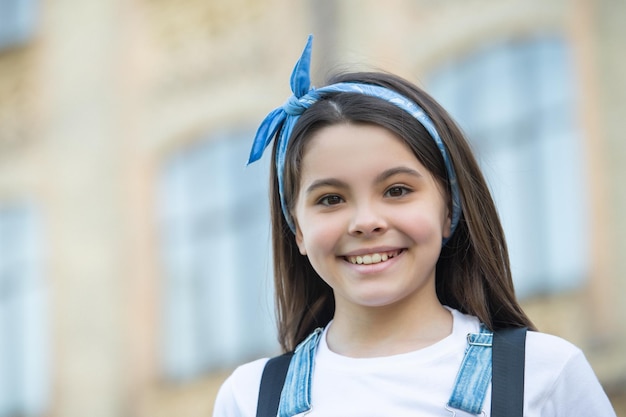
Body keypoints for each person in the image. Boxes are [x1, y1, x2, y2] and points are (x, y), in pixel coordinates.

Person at [213, 35, 616, 417]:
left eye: (397, 190)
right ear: (297, 229)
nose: (366, 222)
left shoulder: (544, 373)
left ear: (449, 208)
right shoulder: (249, 397)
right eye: (330, 199)